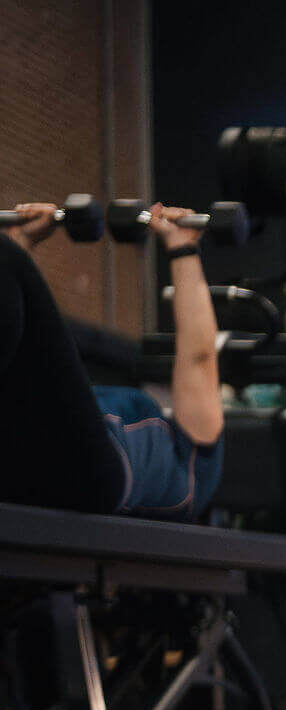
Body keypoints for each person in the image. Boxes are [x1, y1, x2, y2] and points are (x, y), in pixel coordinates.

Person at [2, 202, 223, 518]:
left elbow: (200, 356)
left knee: (6, 258)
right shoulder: (185, 461)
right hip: (33, 466)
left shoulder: (197, 469)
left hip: (93, 475)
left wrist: (183, 247)